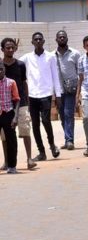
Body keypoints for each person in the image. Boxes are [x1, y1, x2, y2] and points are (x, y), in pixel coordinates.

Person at [20, 32, 62, 161]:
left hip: (46, 94)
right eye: (35, 40)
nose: (38, 41)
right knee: (35, 124)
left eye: (40, 39)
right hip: (32, 95)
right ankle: (41, 152)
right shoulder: (27, 58)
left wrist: (58, 96)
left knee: (46, 121)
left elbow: (55, 76)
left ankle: (52, 145)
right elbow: (13, 62)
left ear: (43, 41)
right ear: (32, 42)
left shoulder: (50, 57)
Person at [0, 38, 36, 170]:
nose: (10, 50)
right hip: (5, 106)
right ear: (2, 49)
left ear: (15, 48)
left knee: (25, 130)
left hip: (21, 103)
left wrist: (27, 101)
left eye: (12, 47)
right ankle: (7, 161)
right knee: (5, 135)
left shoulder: (20, 64)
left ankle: (29, 159)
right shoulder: (0, 65)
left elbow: (24, 83)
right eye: (7, 47)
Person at [54, 30, 81, 150]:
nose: (61, 38)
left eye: (63, 37)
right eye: (59, 37)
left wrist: (79, 93)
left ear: (67, 39)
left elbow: (80, 73)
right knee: (62, 115)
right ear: (56, 40)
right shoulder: (52, 55)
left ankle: (70, 140)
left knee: (68, 114)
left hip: (71, 89)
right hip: (58, 90)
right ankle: (67, 139)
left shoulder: (75, 54)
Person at [0, 62, 20, 174]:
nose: (0, 71)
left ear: (4, 70)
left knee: (11, 141)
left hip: (8, 114)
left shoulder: (11, 82)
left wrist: (15, 117)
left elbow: (16, 99)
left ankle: (12, 166)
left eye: (1, 69)